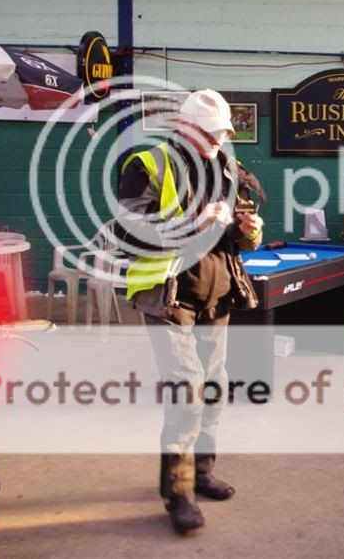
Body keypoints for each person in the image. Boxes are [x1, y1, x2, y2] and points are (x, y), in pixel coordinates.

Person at [115, 89, 264, 535]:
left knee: (214, 387)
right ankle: (177, 493)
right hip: (168, 297)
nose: (220, 141)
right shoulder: (147, 166)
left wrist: (250, 231)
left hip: (218, 294)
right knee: (188, 392)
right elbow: (129, 235)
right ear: (185, 128)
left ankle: (200, 472)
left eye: (224, 134)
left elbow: (243, 239)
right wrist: (190, 226)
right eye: (211, 134)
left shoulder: (228, 169)